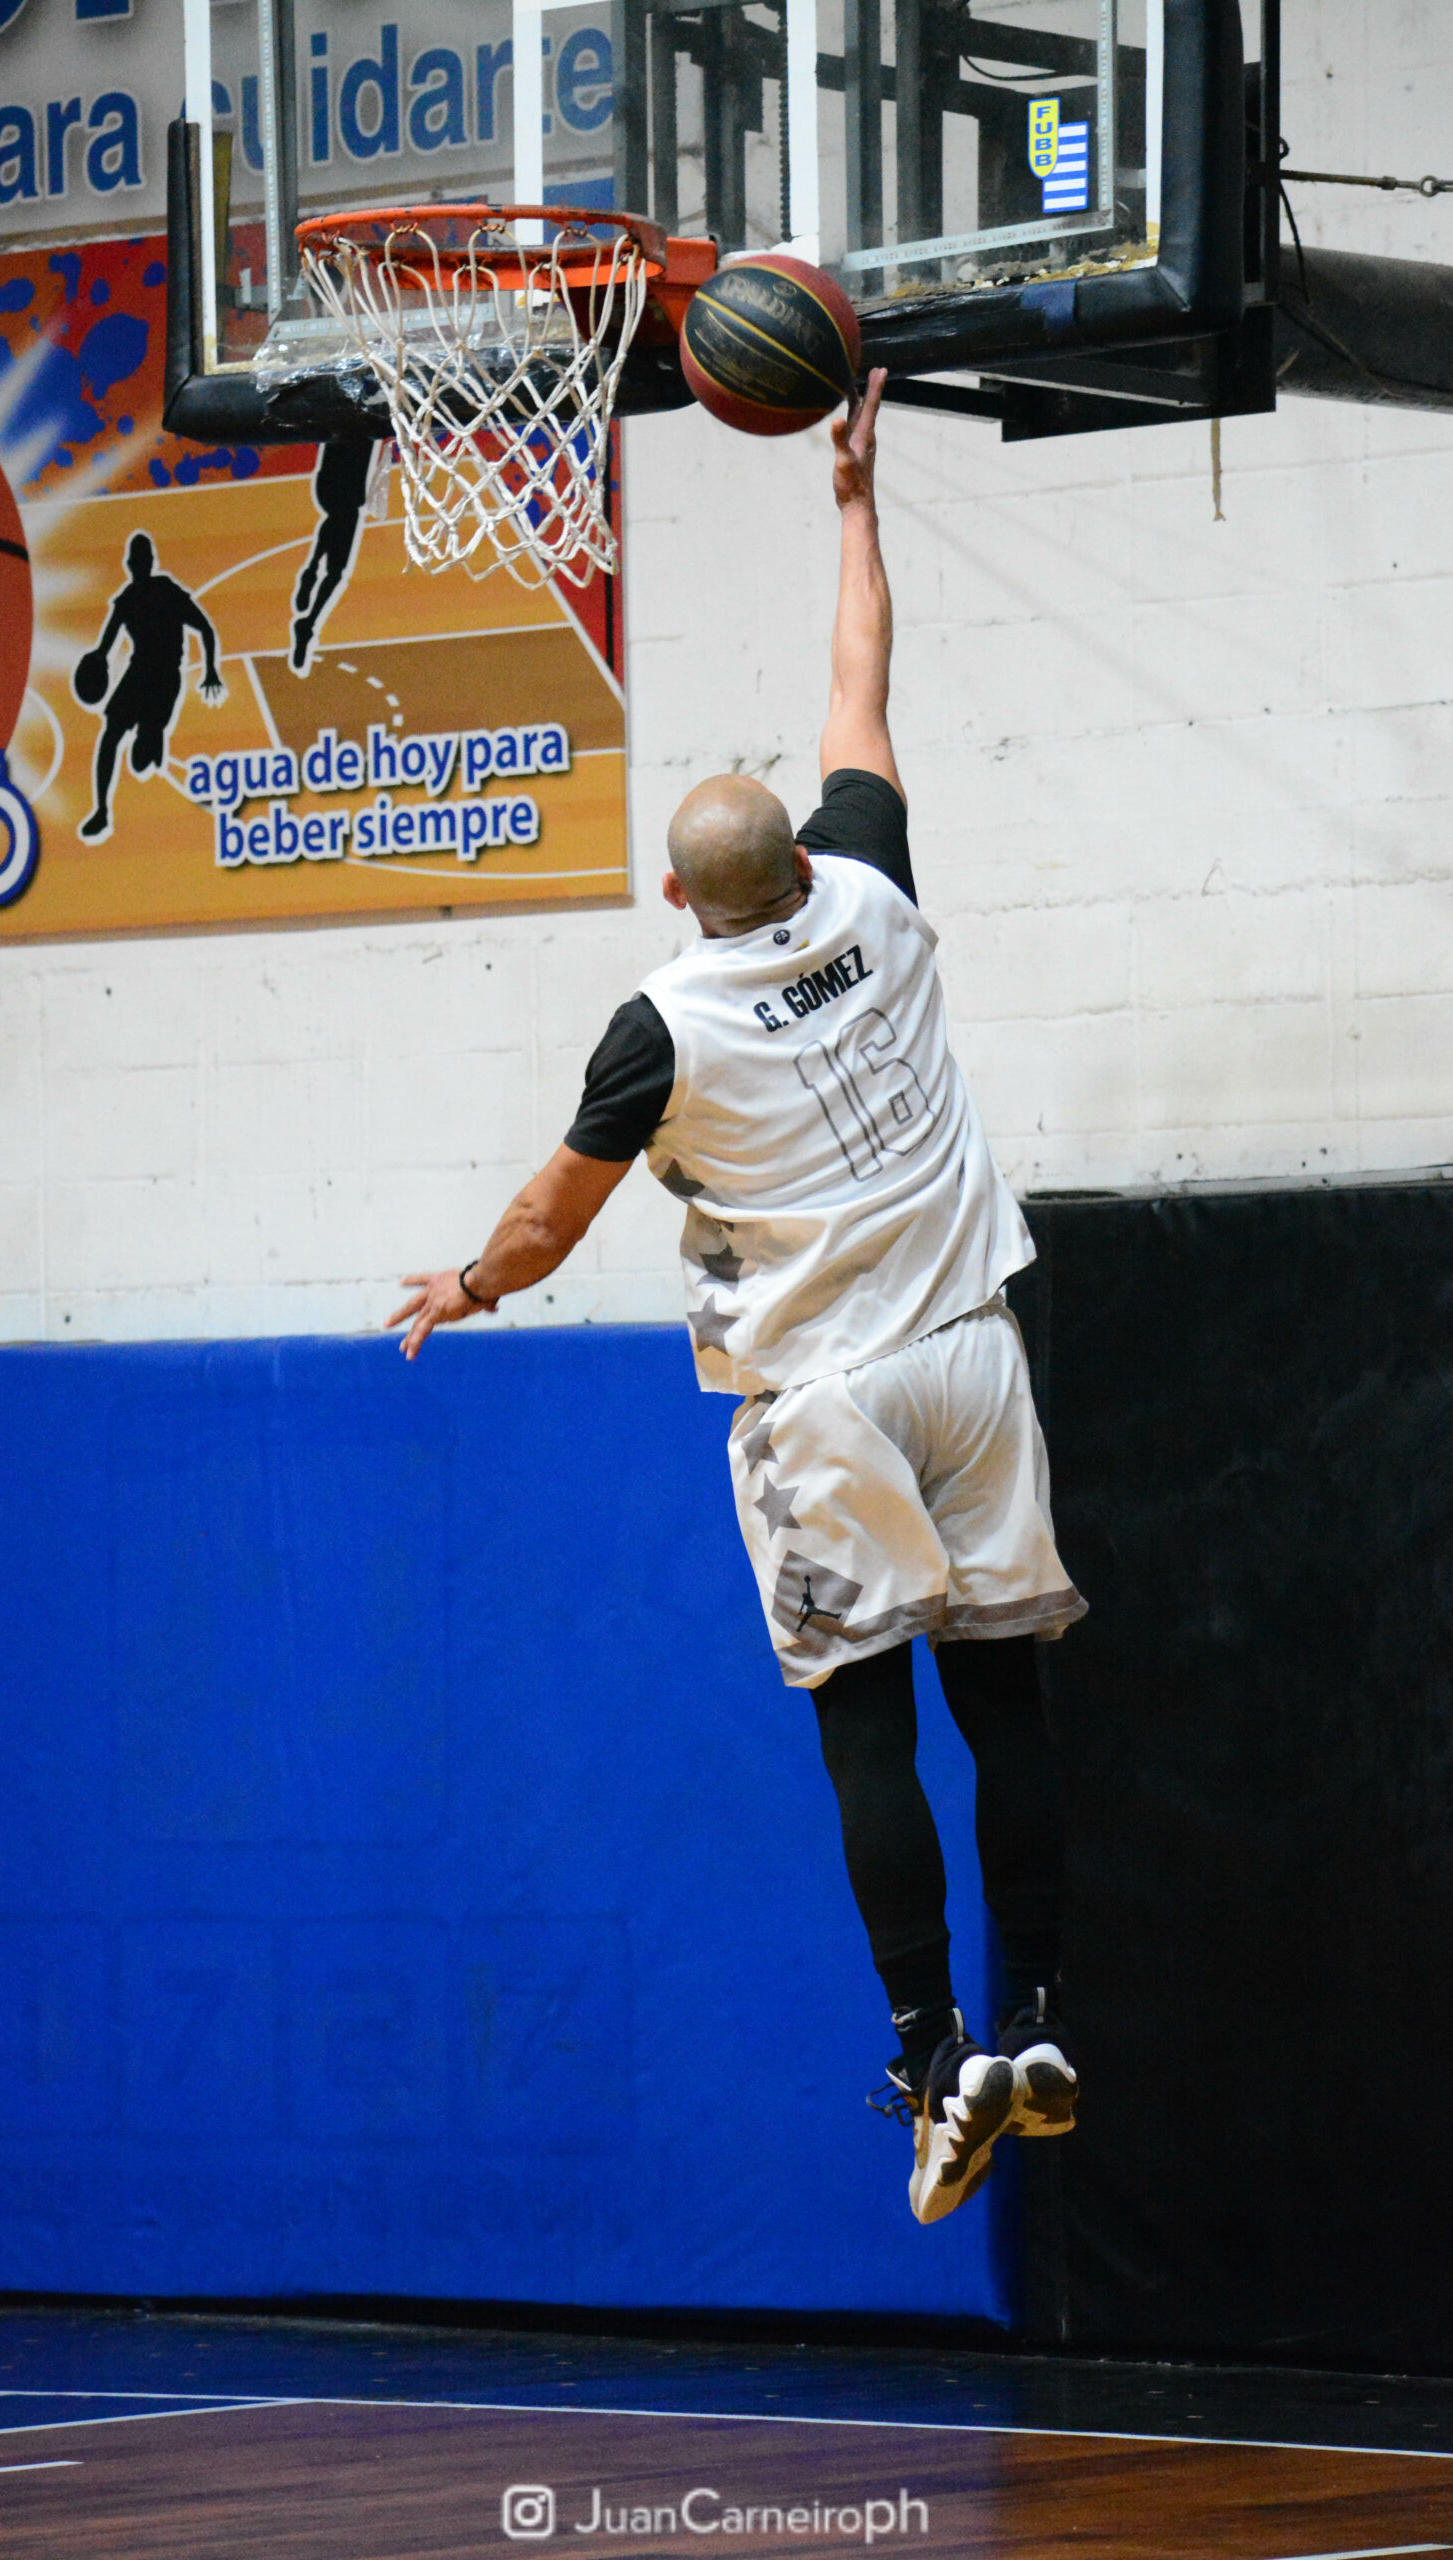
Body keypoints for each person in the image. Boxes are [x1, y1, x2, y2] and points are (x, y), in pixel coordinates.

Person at [389, 372, 1085, 2226]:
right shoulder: (873, 890)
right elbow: (862, 679)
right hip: (973, 1355)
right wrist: (851, 498)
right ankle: (1036, 2016)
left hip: (830, 1395)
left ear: (678, 895)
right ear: (794, 861)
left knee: (862, 1724)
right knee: (1003, 1708)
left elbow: (547, 1223)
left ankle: (931, 2054)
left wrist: (468, 1282)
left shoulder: (661, 1023)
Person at [78, 532, 223, 841]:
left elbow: (205, 629)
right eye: (135, 560)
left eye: (141, 560)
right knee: (111, 733)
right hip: (139, 672)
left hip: (165, 678)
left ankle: (152, 738)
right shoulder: (127, 599)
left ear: (146, 562)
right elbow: (105, 647)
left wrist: (211, 669)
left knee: (141, 757)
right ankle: (101, 810)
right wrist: (95, 663)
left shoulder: (167, 591)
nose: (137, 565)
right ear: (131, 564)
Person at [289, 439, 375, 675]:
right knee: (336, 572)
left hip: (327, 484)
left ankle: (312, 568)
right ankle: (308, 620)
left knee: (336, 518)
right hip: (346, 485)